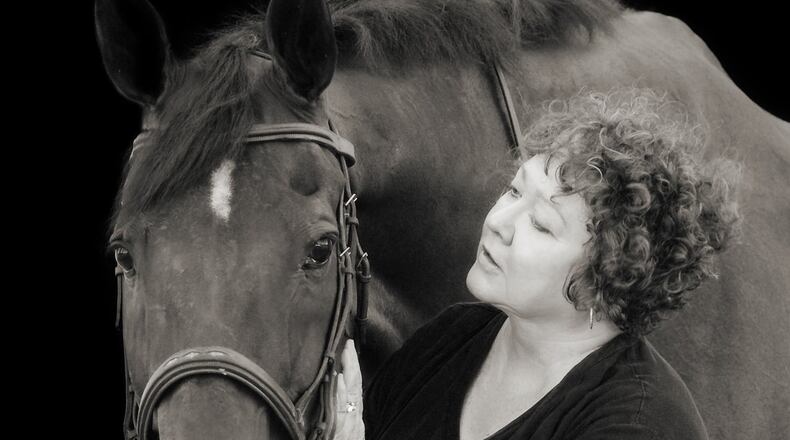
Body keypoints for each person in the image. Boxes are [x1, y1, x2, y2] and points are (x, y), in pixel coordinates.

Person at [333, 88, 741, 440]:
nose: (497, 223)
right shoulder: (452, 336)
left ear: (612, 273)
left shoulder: (642, 424)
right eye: (514, 191)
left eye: (542, 225)